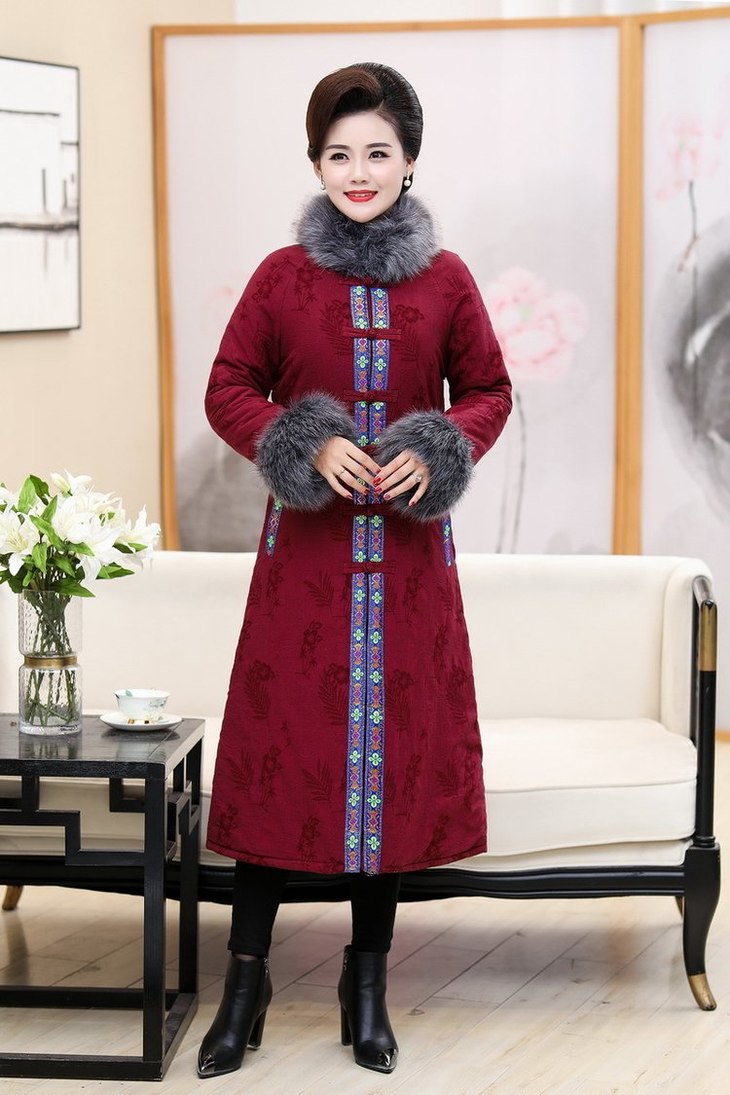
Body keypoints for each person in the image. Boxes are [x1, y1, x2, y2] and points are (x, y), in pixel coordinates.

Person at [197, 61, 512, 1079]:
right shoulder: (280, 278)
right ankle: (243, 988)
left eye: (378, 152)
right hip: (304, 573)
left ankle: (364, 986)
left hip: (410, 569)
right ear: (316, 163)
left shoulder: (447, 280)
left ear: (410, 160)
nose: (359, 171)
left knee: (388, 773)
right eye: (339, 154)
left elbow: (489, 389)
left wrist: (441, 443)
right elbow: (228, 386)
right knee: (280, 762)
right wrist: (302, 440)